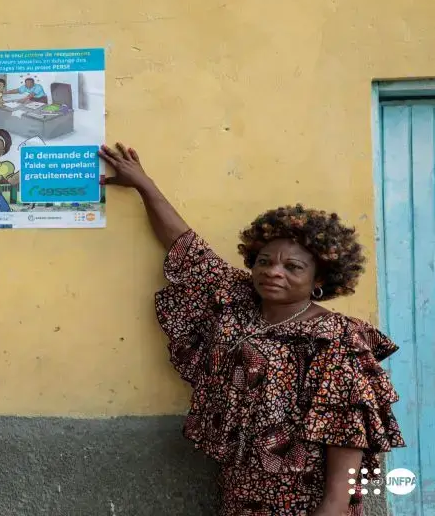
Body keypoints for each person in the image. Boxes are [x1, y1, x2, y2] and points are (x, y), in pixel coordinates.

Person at [97, 142, 405, 516]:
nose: (273, 272)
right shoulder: (239, 303)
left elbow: (345, 436)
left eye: (293, 267)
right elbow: (186, 247)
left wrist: (335, 506)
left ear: (320, 278)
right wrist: (144, 185)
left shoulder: (336, 338)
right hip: (240, 492)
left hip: (305, 500)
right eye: (264, 261)